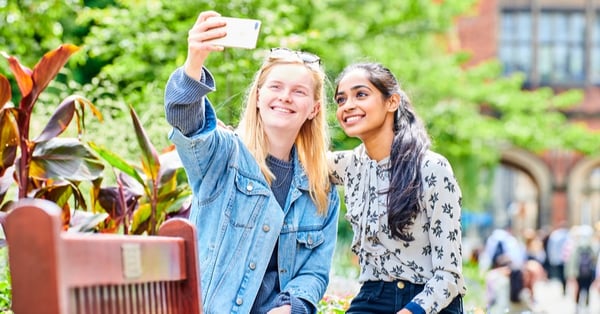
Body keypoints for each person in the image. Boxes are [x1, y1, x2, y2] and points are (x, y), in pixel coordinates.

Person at [164, 11, 340, 314]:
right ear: (257, 97)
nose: (285, 97)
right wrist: (195, 61)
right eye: (275, 87)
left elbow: (315, 272)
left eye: (298, 92)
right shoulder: (222, 156)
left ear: (313, 109)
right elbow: (184, 118)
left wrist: (291, 307)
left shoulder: (320, 188)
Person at [328, 62, 466, 313]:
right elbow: (283, 156)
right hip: (372, 296)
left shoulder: (431, 168)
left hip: (430, 301)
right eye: (341, 99)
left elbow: (450, 275)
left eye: (361, 94)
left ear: (391, 102)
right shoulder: (348, 165)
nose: (347, 106)